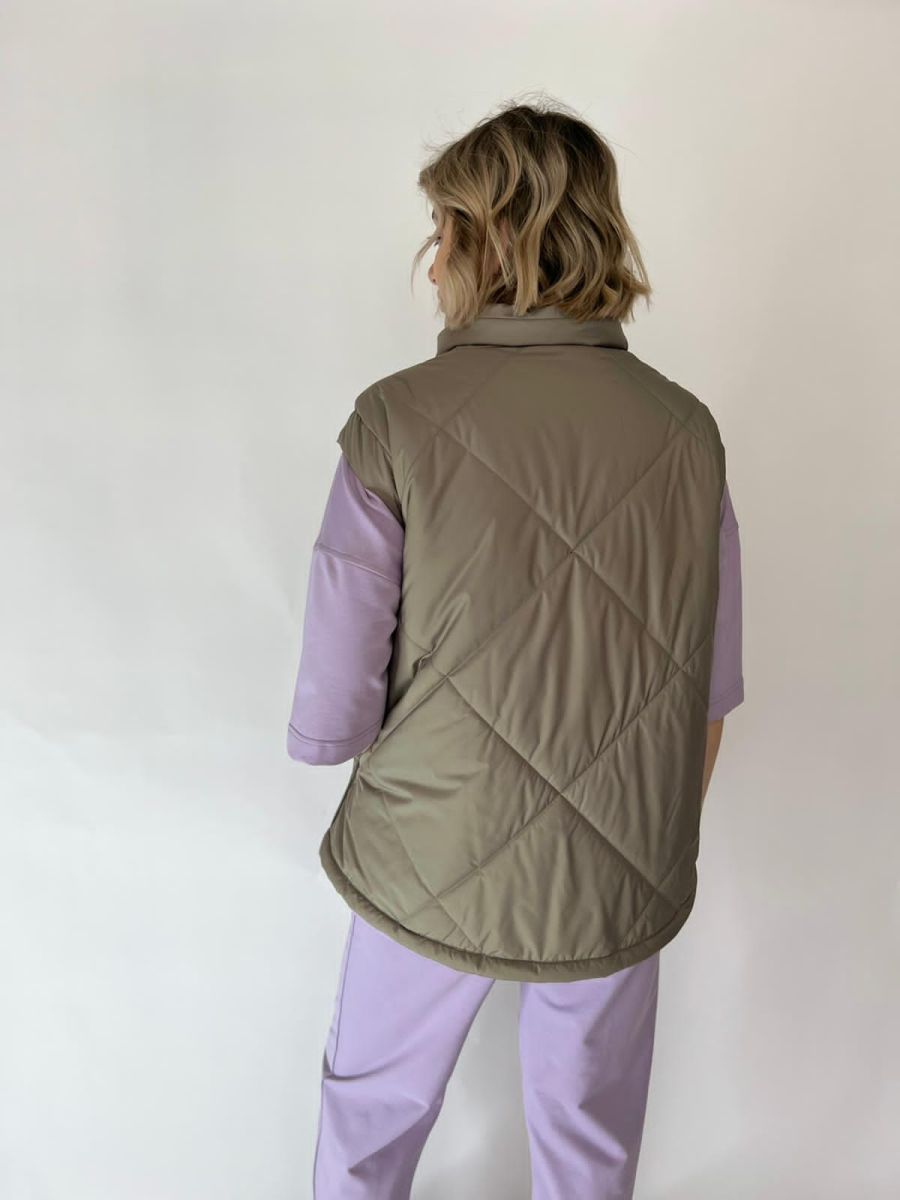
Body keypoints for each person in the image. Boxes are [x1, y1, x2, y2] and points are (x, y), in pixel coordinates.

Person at [287, 98, 744, 1199]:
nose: (434, 257)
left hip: (430, 842)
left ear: (475, 239)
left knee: (371, 1116)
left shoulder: (396, 420)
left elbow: (334, 711)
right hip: (619, 858)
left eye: (442, 229)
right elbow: (711, 688)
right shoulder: (687, 431)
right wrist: (638, 829)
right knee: (589, 1135)